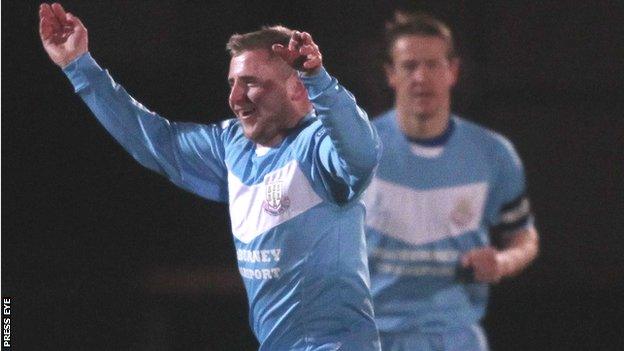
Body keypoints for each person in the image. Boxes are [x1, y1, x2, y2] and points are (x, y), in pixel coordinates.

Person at [39, 3, 382, 350]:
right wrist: (79, 66)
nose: (234, 98)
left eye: (250, 83)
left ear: (297, 87)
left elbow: (363, 154)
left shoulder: (318, 146)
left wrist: (320, 80)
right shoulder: (232, 146)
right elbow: (156, 140)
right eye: (232, 83)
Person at [363, 12, 540, 351]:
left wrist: (500, 262)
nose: (420, 77)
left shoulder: (493, 154)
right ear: (391, 74)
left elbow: (524, 237)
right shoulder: (357, 150)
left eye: (432, 65)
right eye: (409, 65)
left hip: (454, 337)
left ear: (453, 71)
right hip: (370, 336)